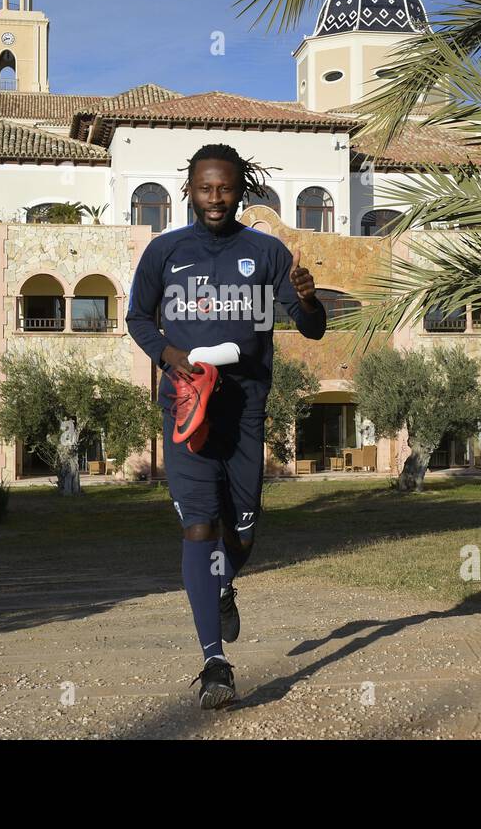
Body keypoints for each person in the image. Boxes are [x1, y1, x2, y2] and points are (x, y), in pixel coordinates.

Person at [126, 143, 326, 708]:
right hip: (188, 407)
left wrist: (309, 302)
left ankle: (224, 583)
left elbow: (309, 329)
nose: (216, 199)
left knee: (242, 532)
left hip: (244, 409)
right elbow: (138, 316)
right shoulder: (165, 252)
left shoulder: (265, 253)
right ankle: (214, 661)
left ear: (241, 190)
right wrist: (170, 358)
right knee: (198, 526)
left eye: (226, 188)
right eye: (205, 188)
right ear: (188, 189)